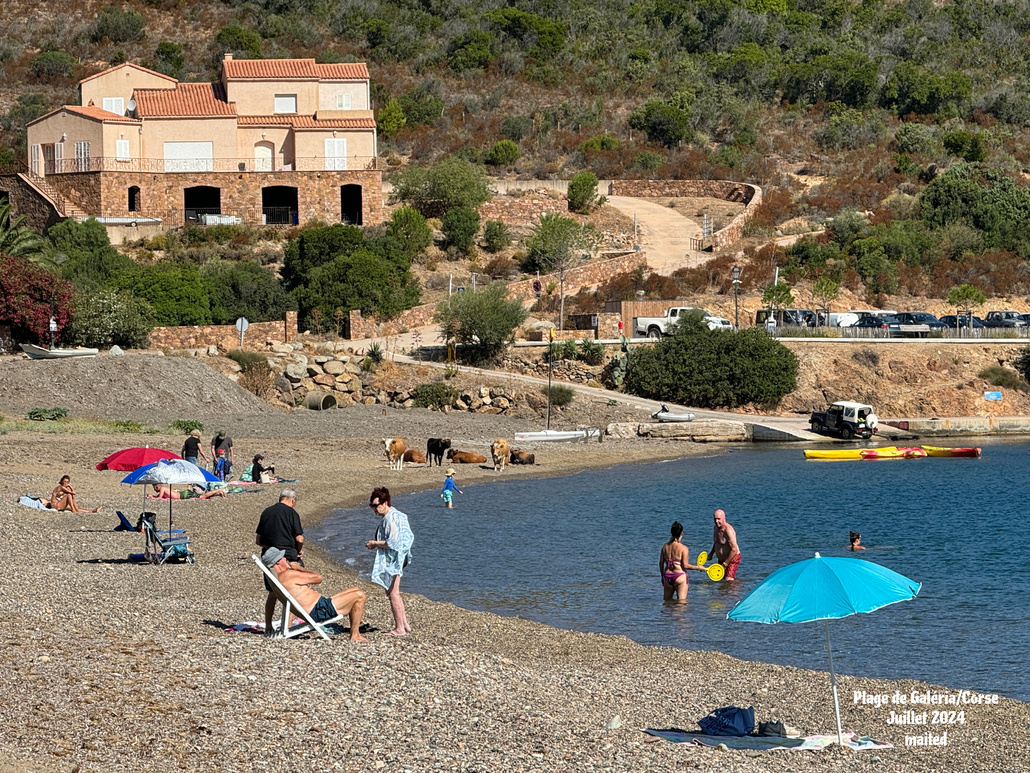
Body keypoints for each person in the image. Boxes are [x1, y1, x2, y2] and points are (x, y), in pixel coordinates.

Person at [260, 547, 367, 642]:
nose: (286, 559)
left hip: (319, 607)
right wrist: (298, 568)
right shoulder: (288, 575)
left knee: (354, 589)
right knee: (359, 595)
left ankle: (355, 631)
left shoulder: (277, 579)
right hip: (319, 611)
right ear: (278, 562)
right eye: (283, 557)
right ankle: (355, 635)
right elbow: (318, 578)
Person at [365, 487, 413, 636]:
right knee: (392, 591)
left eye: (376, 505)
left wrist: (374, 543)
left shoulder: (390, 518)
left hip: (395, 559)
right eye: (372, 506)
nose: (374, 509)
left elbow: (393, 542)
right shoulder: (399, 515)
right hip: (401, 557)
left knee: (393, 593)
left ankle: (399, 629)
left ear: (385, 503)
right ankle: (404, 624)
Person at [256, 489, 305, 630]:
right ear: (293, 500)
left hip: (269, 559)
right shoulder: (292, 513)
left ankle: (269, 625)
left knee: (273, 593)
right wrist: (299, 550)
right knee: (293, 590)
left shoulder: (266, 512)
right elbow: (299, 538)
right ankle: (288, 625)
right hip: (288, 557)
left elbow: (258, 540)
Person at [660, 521, 704, 602]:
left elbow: (661, 563)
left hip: (667, 576)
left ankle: (666, 615)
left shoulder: (665, 547)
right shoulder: (683, 548)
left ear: (671, 532)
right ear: (681, 533)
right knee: (681, 605)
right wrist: (698, 568)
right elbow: (685, 565)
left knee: (667, 603)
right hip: (679, 576)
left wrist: (662, 576)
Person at [710, 508, 741, 580]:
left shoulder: (728, 530)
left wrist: (726, 564)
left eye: (719, 519)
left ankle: (735, 589)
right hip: (721, 559)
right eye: (715, 519)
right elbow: (716, 542)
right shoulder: (716, 528)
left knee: (728, 580)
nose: (716, 521)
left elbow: (734, 549)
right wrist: (711, 554)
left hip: (732, 557)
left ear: (724, 518)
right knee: (720, 579)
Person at [148, 484, 226, 500]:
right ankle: (218, 494)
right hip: (183, 494)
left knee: (203, 496)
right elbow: (158, 496)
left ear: (157, 486)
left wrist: (154, 497)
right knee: (204, 497)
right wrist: (152, 496)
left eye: (154, 487)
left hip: (184, 495)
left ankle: (219, 490)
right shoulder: (164, 489)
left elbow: (159, 497)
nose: (154, 489)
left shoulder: (162, 489)